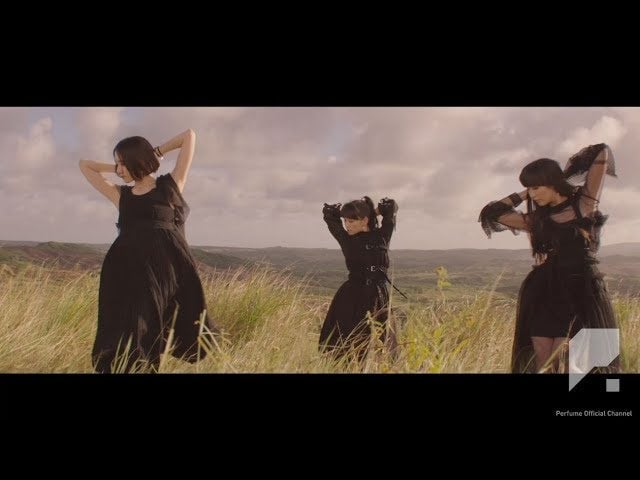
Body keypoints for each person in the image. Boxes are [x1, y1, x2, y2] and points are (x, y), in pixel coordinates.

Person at [79, 129, 218, 373]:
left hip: (164, 271)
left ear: (138, 160)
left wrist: (155, 154)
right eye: (118, 163)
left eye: (123, 163)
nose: (120, 170)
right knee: (126, 325)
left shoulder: (170, 186)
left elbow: (189, 136)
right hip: (125, 270)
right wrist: (120, 167)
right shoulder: (121, 195)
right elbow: (85, 165)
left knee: (152, 323)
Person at [479, 143, 620, 373]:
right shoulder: (537, 219)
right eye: (529, 189)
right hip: (545, 290)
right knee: (543, 361)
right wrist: (524, 193)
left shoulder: (584, 204)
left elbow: (601, 151)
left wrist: (562, 176)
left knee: (569, 363)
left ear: (553, 183)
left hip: (581, 290)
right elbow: (492, 214)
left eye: (536, 187)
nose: (532, 194)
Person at [319, 196, 404, 363]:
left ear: (364, 220)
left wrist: (372, 213)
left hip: (379, 296)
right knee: (350, 347)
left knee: (389, 347)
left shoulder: (383, 235)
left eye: (351, 221)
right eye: (345, 221)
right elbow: (330, 215)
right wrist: (356, 214)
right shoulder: (346, 239)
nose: (347, 225)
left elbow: (390, 207)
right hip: (352, 297)